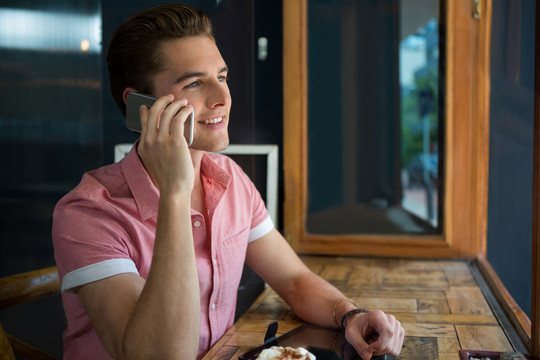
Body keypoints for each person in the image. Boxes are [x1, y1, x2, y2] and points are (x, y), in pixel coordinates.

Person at [52, 4, 404, 360]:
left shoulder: (229, 178)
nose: (222, 98)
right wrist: (175, 193)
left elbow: (294, 281)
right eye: (193, 83)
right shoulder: (88, 213)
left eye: (221, 77)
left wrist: (350, 314)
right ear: (140, 106)